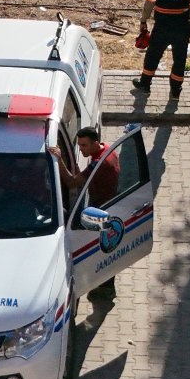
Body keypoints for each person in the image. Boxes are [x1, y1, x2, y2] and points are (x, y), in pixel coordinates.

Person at [58, 126, 122, 305]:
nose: (81, 149)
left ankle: (105, 289)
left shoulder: (98, 164)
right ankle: (105, 287)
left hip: (101, 210)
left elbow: (72, 183)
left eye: (84, 145)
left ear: (95, 143)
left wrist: (59, 159)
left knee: (101, 250)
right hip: (109, 204)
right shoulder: (107, 149)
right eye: (79, 145)